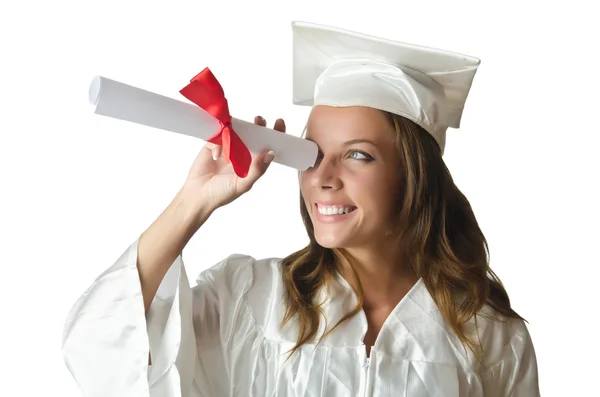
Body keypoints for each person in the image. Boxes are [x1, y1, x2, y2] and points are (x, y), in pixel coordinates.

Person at [62, 21, 540, 397]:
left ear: (413, 176)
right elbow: (103, 348)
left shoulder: (491, 338)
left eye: (358, 155)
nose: (323, 177)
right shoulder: (252, 299)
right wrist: (194, 201)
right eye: (312, 153)